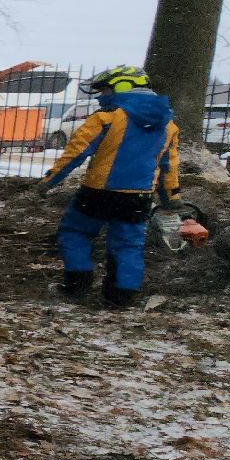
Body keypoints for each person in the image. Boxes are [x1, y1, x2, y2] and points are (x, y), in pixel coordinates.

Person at [40, 65, 181, 309]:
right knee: (128, 245)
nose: (100, 96)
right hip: (139, 196)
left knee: (75, 233)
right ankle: (120, 296)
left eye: (104, 90)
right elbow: (169, 165)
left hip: (97, 193)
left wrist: (48, 182)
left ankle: (77, 284)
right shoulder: (168, 125)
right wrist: (170, 198)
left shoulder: (106, 118)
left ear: (123, 86)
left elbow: (75, 153)